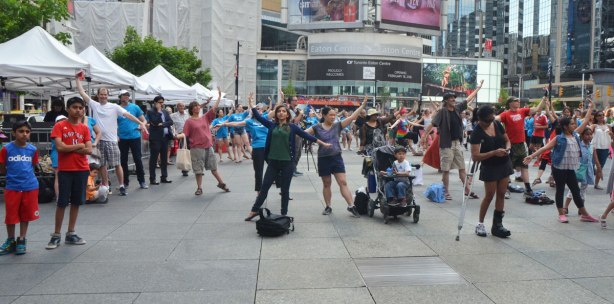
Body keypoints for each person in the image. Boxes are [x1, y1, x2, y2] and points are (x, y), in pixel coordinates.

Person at [244, 99, 331, 221]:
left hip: (287, 163)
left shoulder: (292, 127)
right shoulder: (271, 125)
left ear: (287, 114)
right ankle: (254, 210)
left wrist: (322, 143)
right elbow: (258, 117)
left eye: (283, 111)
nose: (281, 113)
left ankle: (284, 214)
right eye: (279, 111)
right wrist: (251, 104)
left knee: (285, 190)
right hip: (273, 162)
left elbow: (307, 135)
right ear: (276, 114)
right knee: (264, 187)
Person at [524, 100, 599, 223]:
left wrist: (590, 108)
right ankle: (561, 214)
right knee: (560, 190)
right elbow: (544, 148)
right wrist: (531, 156)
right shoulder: (559, 138)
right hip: (559, 168)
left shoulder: (575, 135)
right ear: (565, 126)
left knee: (576, 191)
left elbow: (585, 121)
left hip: (570, 168)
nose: (574, 126)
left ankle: (584, 214)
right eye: (571, 124)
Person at [76, 76, 147, 197]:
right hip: (99, 141)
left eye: (105, 94)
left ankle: (121, 186)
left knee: (117, 164)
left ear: (108, 96)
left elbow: (128, 115)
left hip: (112, 141)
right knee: (102, 165)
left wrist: (140, 123)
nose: (103, 96)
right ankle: (106, 185)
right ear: (98, 95)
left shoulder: (114, 106)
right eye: (101, 94)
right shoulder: (94, 105)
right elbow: (82, 93)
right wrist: (77, 79)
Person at [422, 80, 483, 201]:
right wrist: (424, 137)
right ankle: (446, 192)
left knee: (462, 168)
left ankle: (467, 190)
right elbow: (432, 125)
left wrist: (478, 89)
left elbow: (468, 99)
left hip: (457, 143)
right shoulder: (442, 112)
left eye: (454, 98)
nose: (454, 100)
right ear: (446, 101)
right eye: (451, 98)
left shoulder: (457, 109)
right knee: (446, 170)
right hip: (446, 144)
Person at [306, 96, 367, 217]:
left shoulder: (337, 125)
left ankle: (351, 206)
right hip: (323, 158)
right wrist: (316, 141)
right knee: (327, 184)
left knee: (343, 182)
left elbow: (352, 117)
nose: (333, 117)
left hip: (336, 158)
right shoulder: (316, 127)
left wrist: (363, 105)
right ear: (324, 116)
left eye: (334, 115)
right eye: (330, 115)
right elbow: (302, 133)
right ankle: (328, 206)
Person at [46, 97, 92, 249]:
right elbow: (60, 148)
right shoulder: (60, 126)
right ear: (68, 108)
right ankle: (56, 234)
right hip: (66, 170)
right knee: (62, 202)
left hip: (82, 169)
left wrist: (70, 147)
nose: (78, 110)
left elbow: (89, 149)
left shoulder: (85, 128)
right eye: (74, 107)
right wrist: (79, 146)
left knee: (77, 202)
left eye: (80, 107)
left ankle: (71, 233)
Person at [469, 106, 513, 238]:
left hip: (504, 163)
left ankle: (497, 225)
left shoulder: (497, 124)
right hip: (490, 166)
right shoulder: (476, 133)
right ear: (479, 119)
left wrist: (508, 148)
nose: (489, 122)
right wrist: (494, 152)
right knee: (489, 195)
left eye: (491, 119)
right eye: (486, 121)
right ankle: (480, 224)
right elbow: (475, 156)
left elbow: (507, 140)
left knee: (501, 193)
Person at [0, 121, 40, 255]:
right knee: (11, 215)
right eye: (21, 131)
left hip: (30, 187)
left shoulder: (32, 150)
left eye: (27, 132)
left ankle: (22, 239)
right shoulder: (6, 149)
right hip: (12, 187)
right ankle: (10, 240)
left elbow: (33, 166)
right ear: (13, 133)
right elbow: (2, 168)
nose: (24, 134)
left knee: (25, 214)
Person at [496, 94, 547, 197]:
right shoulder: (505, 114)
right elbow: (496, 119)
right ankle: (505, 188)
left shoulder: (522, 111)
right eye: (516, 100)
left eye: (518, 100)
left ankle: (528, 189)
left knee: (524, 165)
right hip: (510, 145)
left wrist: (543, 99)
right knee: (507, 168)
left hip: (521, 144)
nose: (518, 101)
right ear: (510, 103)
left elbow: (537, 109)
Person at [183, 90, 231, 195]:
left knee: (213, 167)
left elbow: (214, 108)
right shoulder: (189, 121)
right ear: (191, 110)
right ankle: (199, 188)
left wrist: (218, 97)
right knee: (198, 169)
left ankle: (221, 183)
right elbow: (185, 134)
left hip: (208, 146)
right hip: (196, 148)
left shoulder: (205, 118)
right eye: (194, 106)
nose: (196, 107)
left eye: (197, 106)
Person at [222, 94, 271, 193]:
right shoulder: (249, 121)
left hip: (269, 147)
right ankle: (259, 192)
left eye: (260, 109)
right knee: (258, 171)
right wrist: (223, 124)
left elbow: (274, 111)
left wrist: (281, 99)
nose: (259, 110)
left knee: (276, 168)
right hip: (257, 148)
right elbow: (236, 124)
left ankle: (281, 189)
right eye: (257, 109)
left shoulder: (265, 118)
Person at [563, 127, 601, 213]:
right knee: (573, 189)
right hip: (578, 169)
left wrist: (599, 168)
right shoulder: (578, 144)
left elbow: (595, 159)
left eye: (591, 134)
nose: (589, 136)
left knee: (583, 190)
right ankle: (565, 207)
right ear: (582, 136)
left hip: (587, 170)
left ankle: (581, 208)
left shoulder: (592, 146)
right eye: (587, 134)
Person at [117, 90, 148, 189]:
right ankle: (125, 182)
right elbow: (114, 123)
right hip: (122, 138)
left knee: (137, 159)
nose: (126, 97)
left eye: (128, 95)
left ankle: (142, 181)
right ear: (120, 97)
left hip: (135, 137)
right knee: (123, 160)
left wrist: (141, 125)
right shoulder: (117, 108)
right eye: (124, 95)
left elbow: (144, 120)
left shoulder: (135, 107)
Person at [146, 96, 174, 185]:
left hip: (165, 137)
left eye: (162, 102)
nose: (162, 104)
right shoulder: (151, 111)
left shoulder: (165, 111)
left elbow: (170, 122)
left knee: (164, 158)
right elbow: (154, 122)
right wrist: (158, 111)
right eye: (160, 102)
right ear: (155, 102)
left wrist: (162, 124)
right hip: (155, 138)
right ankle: (152, 178)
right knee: (154, 159)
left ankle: (164, 177)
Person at [590, 110, 610, 189]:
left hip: (605, 148)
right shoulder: (594, 126)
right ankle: (583, 181)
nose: (601, 116)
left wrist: (611, 135)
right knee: (590, 165)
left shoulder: (608, 126)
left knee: (600, 166)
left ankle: (596, 184)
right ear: (596, 117)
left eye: (602, 115)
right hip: (595, 148)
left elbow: (611, 138)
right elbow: (588, 133)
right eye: (599, 115)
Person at [170, 102, 190, 176]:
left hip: (190, 134)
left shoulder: (188, 113)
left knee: (193, 151)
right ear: (177, 107)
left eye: (182, 106)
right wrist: (174, 133)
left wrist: (206, 103)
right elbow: (171, 125)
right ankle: (184, 169)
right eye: (180, 106)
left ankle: (196, 168)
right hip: (181, 135)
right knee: (183, 151)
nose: (181, 107)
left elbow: (198, 107)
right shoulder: (173, 115)